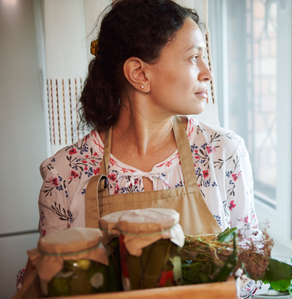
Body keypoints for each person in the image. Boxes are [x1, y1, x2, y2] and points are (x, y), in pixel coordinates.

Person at [33, 0, 261, 297]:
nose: (207, 73)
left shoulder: (223, 154)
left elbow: (253, 275)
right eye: (194, 57)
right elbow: (48, 285)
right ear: (139, 74)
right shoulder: (65, 175)